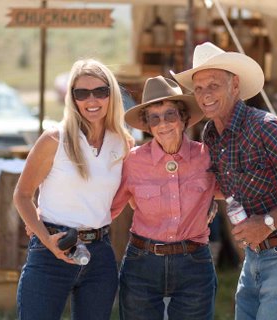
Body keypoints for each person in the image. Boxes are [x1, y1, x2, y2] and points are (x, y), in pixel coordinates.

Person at [172, 42, 277, 320]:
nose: (205, 95)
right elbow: (226, 186)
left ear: (234, 85)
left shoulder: (265, 127)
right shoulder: (211, 133)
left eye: (213, 85)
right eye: (198, 88)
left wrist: (267, 222)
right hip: (256, 254)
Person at [13, 58, 133, 320]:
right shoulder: (54, 139)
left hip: (100, 254)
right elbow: (22, 195)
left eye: (101, 91)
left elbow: (126, 194)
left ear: (111, 94)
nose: (92, 100)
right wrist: (45, 237)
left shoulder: (123, 143)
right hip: (50, 251)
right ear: (72, 98)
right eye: (82, 93)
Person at [111, 75, 218, 320]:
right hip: (142, 263)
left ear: (184, 119)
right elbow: (108, 209)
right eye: (154, 118)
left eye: (170, 115)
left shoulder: (206, 157)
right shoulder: (133, 161)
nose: (163, 124)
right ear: (148, 126)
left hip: (194, 262)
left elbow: (229, 188)